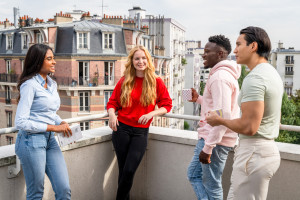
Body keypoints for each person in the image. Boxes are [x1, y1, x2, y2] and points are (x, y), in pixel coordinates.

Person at [206, 26, 283, 200]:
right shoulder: (271, 73)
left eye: (239, 44)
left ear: (253, 46)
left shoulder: (255, 78)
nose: (234, 50)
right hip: (262, 153)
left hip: (254, 154)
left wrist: (220, 120)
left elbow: (249, 127)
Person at [107, 45, 172, 200]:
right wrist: (111, 115)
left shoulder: (156, 82)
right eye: (137, 58)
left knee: (129, 170)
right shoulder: (125, 81)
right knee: (123, 170)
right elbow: (112, 103)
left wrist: (151, 113)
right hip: (121, 129)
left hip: (140, 132)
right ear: (132, 61)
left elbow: (167, 105)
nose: (140, 61)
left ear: (148, 61)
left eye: (143, 58)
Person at [15, 44, 72, 200]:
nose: (54, 62)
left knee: (64, 189)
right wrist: (53, 127)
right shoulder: (29, 85)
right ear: (38, 61)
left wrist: (60, 122)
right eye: (49, 59)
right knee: (36, 194)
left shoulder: (52, 84)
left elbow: (48, 112)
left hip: (49, 141)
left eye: (53, 58)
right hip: (30, 141)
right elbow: (20, 122)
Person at [187, 35, 241, 200]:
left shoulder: (219, 77)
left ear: (220, 54)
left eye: (207, 51)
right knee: (193, 174)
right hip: (212, 137)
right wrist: (199, 99)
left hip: (215, 140)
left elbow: (222, 116)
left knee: (212, 185)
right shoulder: (220, 75)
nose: (203, 55)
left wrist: (208, 147)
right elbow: (217, 108)